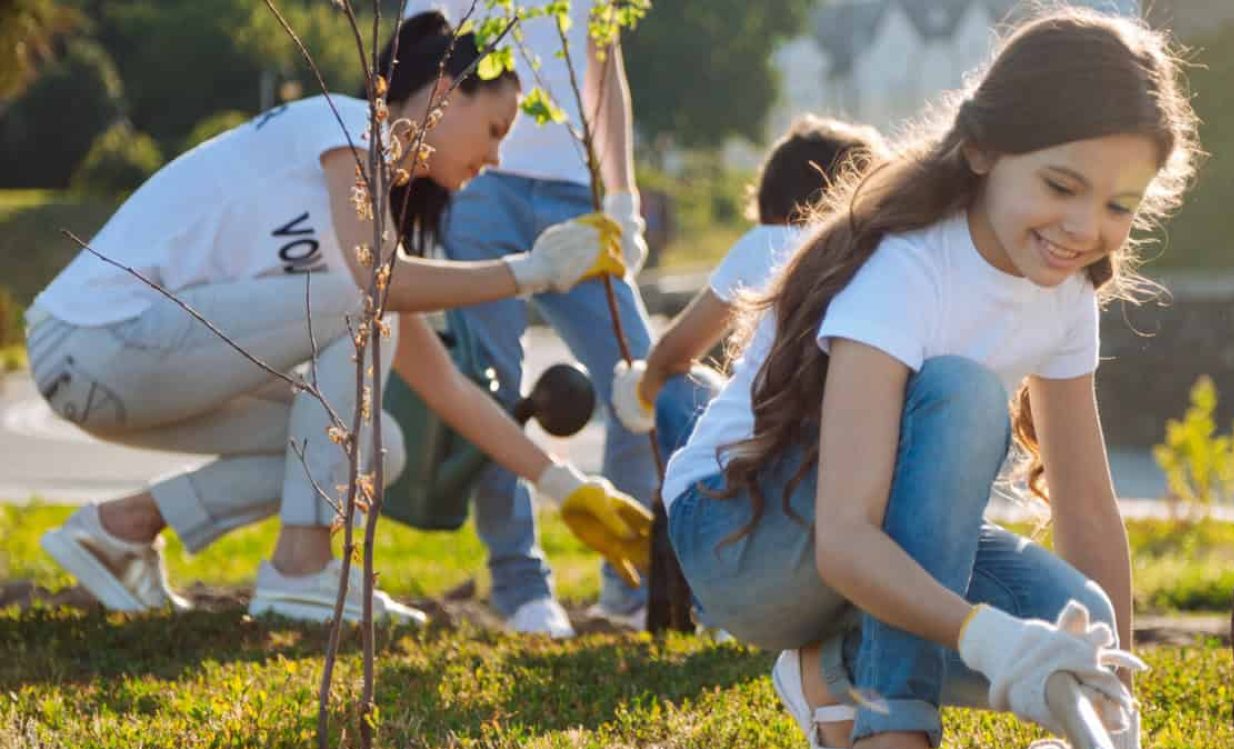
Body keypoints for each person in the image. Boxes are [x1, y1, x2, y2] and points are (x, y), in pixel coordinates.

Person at [657, 9, 1200, 749]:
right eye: (1060, 186)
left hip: (870, 539)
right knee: (962, 391)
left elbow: (1084, 506)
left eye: (1120, 205)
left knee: (1078, 617)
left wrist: (1108, 696)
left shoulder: (1066, 290)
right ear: (982, 151)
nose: (1085, 228)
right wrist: (992, 641)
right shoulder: (907, 267)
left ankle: (827, 673)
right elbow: (846, 540)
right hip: (742, 536)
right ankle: (890, 742)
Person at [27, 12, 651, 626]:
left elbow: (447, 389)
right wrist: (533, 271)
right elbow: (379, 286)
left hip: (132, 366)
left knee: (377, 444)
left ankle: (118, 529)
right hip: (89, 343)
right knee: (364, 300)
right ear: (443, 94)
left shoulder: (364, 219)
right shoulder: (345, 128)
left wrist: (566, 487)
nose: (494, 159)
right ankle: (301, 573)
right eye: (494, 129)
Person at [406, 0, 654, 638]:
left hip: (575, 189)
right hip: (479, 183)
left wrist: (622, 196)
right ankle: (521, 587)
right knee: (495, 383)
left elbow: (605, 65)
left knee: (639, 380)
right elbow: (422, 59)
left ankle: (632, 588)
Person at [607, 115, 885, 504]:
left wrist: (641, 393)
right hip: (848, 469)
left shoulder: (770, 241)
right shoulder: (879, 255)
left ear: (771, 202)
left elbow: (674, 353)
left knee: (676, 388)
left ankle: (671, 526)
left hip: (753, 467)